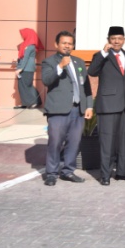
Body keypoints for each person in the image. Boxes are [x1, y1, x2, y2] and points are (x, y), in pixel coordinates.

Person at [40, 31, 93, 186]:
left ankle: (68, 171)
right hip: (58, 110)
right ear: (56, 44)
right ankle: (51, 173)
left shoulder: (79, 62)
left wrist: (89, 106)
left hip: (78, 109)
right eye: (64, 43)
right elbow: (46, 80)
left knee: (74, 142)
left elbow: (86, 86)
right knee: (55, 142)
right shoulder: (49, 62)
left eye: (70, 43)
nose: (67, 46)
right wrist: (60, 66)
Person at [88, 26, 125, 186]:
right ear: (108, 40)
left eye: (119, 38)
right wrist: (103, 53)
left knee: (123, 142)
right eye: (113, 38)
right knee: (107, 141)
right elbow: (92, 71)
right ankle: (105, 174)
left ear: (124, 40)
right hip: (108, 104)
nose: (116, 41)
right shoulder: (101, 55)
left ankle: (121, 172)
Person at [14, 28, 43, 109]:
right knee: (23, 86)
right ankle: (26, 103)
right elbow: (24, 57)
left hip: (26, 69)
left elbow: (26, 58)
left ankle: (35, 102)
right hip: (27, 68)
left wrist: (21, 68)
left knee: (26, 85)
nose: (22, 36)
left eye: (23, 35)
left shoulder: (29, 46)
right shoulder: (29, 45)